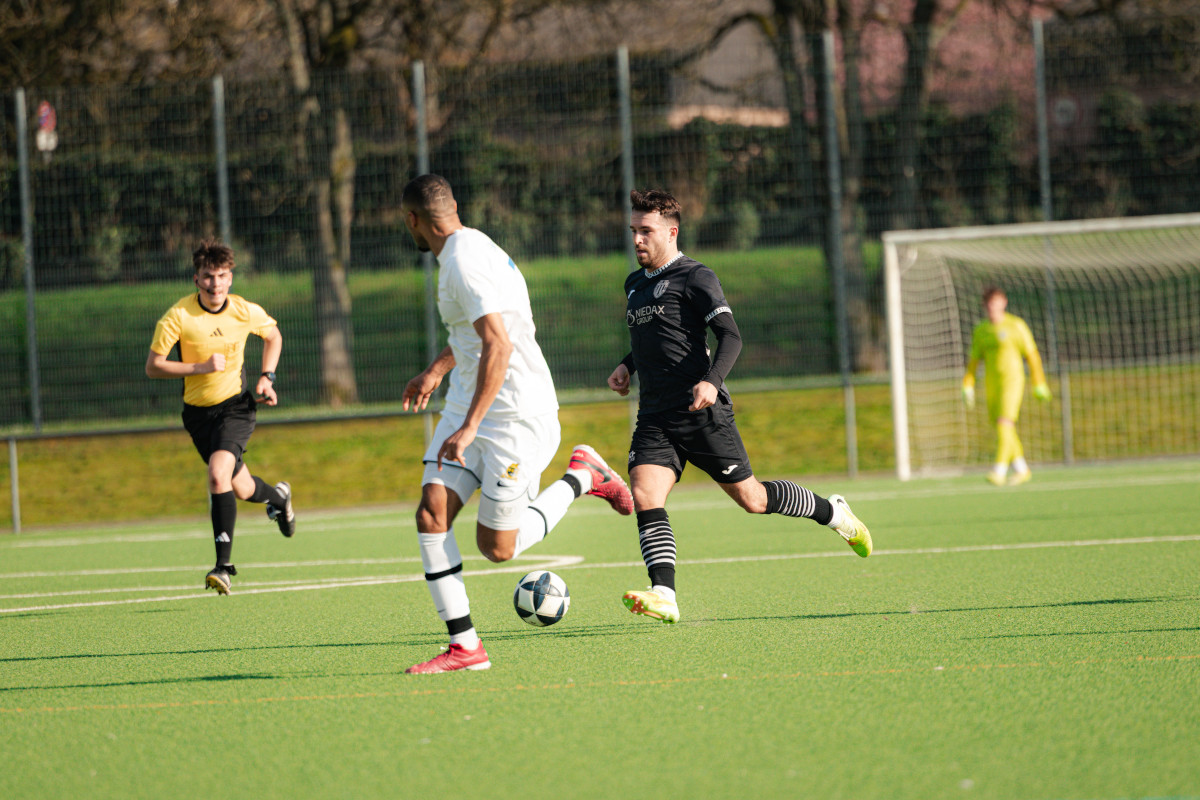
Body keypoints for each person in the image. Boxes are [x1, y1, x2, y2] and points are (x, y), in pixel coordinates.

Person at [399, 174, 633, 674]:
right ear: (454, 207)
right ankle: (465, 647)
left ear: (413, 221)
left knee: (497, 549)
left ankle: (583, 477)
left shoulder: (462, 264)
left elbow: (499, 345)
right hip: (470, 407)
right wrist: (435, 372)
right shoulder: (473, 248)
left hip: (516, 419)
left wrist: (469, 425)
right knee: (431, 512)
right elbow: (472, 334)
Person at [606, 189, 872, 625]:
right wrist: (627, 364)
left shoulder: (696, 277)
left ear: (671, 232)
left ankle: (834, 513)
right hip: (654, 415)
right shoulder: (634, 283)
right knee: (644, 493)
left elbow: (731, 337)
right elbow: (659, 337)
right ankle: (664, 594)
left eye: (646, 231)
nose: (637, 239)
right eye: (633, 230)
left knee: (753, 499)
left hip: (701, 412)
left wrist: (712, 382)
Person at [146, 238, 296, 595]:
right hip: (198, 416)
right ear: (196, 279)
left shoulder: (243, 310)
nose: (215, 284)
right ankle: (278, 499)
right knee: (240, 487)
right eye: (208, 276)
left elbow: (273, 336)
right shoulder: (178, 316)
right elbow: (154, 367)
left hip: (236, 407)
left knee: (217, 476)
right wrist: (199, 367)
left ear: (231, 278)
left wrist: (267, 377)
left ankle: (223, 566)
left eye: (222, 276)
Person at [962, 286, 1051, 485]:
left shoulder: (1016, 325)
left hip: (1013, 381)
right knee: (1004, 428)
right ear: (985, 306)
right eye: (989, 304)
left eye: (997, 302)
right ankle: (1022, 469)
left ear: (1004, 302)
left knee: (1005, 423)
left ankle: (999, 470)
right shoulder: (981, 330)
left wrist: (1039, 382)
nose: (993, 307)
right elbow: (974, 361)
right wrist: (967, 384)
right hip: (992, 384)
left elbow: (1032, 355)